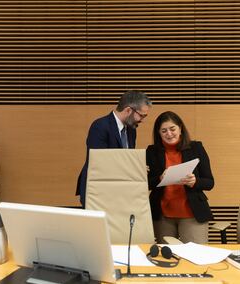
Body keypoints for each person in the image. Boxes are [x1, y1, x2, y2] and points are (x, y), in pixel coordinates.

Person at [146, 111, 214, 244]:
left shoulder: (196, 147)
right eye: (164, 131)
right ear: (158, 133)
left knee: (196, 257)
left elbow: (210, 182)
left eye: (172, 129)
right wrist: (160, 178)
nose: (169, 134)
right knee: (166, 258)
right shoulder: (152, 151)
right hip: (162, 216)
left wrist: (195, 181)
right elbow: (146, 183)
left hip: (192, 214)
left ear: (180, 128)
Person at [76, 90, 152, 207]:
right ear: (128, 110)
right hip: (97, 191)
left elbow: (127, 157)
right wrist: (133, 166)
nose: (142, 120)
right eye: (142, 115)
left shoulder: (131, 130)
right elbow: (99, 162)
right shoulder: (100, 126)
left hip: (119, 192)